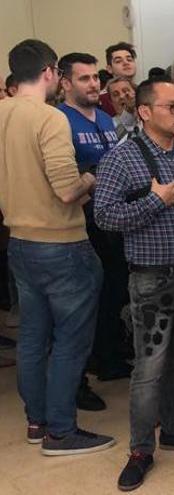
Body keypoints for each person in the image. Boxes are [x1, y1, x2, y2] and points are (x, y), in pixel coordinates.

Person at [93, 78, 174, 491]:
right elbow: (105, 216)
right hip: (152, 281)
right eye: (170, 107)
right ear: (145, 112)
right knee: (149, 370)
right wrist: (155, 201)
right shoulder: (123, 159)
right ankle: (141, 449)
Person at [0, 38, 114, 455]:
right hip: (62, 244)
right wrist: (95, 177)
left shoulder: (2, 113)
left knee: (32, 337)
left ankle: (37, 422)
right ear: (50, 72)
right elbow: (67, 190)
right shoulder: (49, 119)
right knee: (70, 341)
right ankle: (61, 433)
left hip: (20, 242)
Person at [57, 53, 132, 412]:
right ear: (65, 83)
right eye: (83, 78)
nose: (92, 85)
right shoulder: (60, 120)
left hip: (112, 221)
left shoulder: (104, 118)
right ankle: (79, 378)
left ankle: (108, 356)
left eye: (94, 78)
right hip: (79, 220)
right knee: (81, 302)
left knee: (111, 292)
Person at [100, 42, 137, 116]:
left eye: (129, 59)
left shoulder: (143, 91)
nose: (126, 63)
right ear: (109, 69)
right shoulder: (102, 99)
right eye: (118, 61)